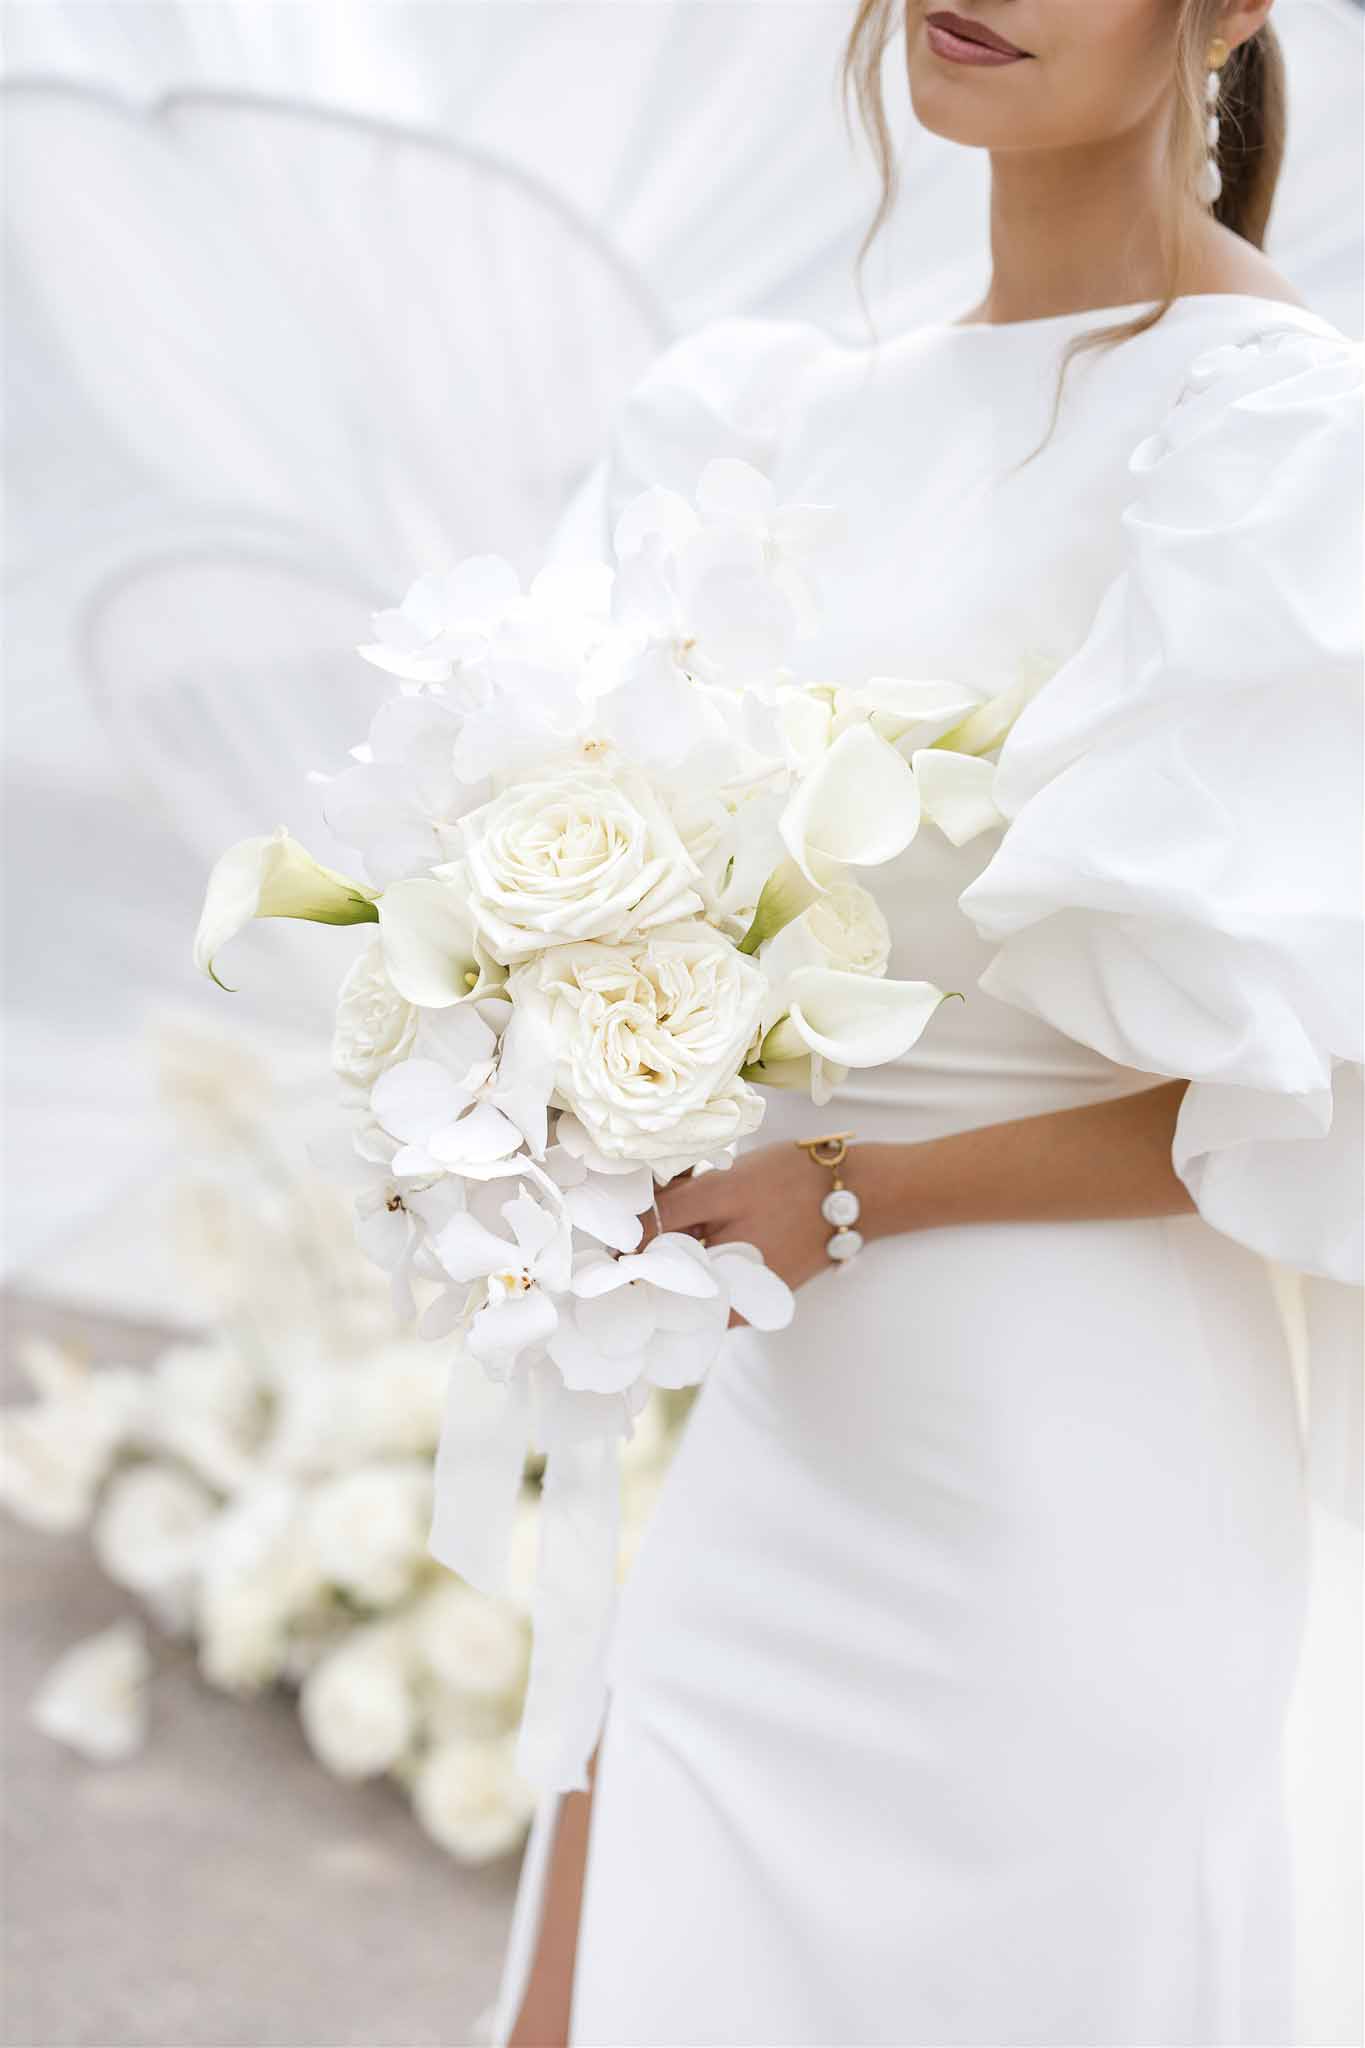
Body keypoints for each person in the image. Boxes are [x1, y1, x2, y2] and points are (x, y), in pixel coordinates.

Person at [496, 2, 1363, 2042]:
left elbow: (1311, 1084)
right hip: (787, 1421)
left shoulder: (1271, 439)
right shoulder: (773, 418)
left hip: (1070, 1460)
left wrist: (854, 1184)